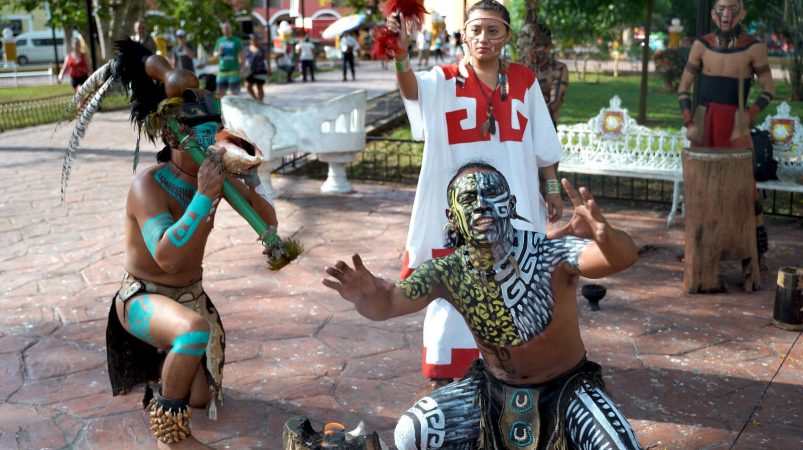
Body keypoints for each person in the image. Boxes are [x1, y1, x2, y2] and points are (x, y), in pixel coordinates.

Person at [322, 163, 642, 450]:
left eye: (491, 194)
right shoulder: (447, 271)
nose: (481, 204)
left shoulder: (549, 252)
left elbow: (620, 258)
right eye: (468, 198)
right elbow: (390, 303)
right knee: (413, 432)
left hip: (568, 388)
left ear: (511, 205)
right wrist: (365, 296)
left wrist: (608, 238)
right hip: (491, 391)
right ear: (453, 217)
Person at [62, 40, 279, 449]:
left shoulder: (215, 178)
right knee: (193, 332)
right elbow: (166, 257)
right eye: (201, 134)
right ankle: (171, 436)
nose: (211, 143)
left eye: (214, 133)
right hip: (142, 297)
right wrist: (204, 196)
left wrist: (251, 180)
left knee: (202, 397)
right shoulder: (148, 186)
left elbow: (269, 223)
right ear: (173, 136)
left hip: (190, 296)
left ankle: (167, 364)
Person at [386, 0, 564, 393]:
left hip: (512, 206)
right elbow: (412, 91)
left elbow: (543, 142)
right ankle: (445, 375)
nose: (484, 38)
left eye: (493, 30)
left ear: (507, 36)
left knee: (515, 285)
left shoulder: (523, 80)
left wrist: (551, 188)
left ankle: (513, 372)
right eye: (476, 30)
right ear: (464, 35)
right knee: (452, 287)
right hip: (461, 214)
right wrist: (401, 56)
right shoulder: (444, 79)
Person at [677, 0, 774, 268]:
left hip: (735, 125)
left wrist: (750, 112)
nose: (726, 15)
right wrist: (689, 122)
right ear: (713, 14)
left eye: (732, 9)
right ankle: (701, 248)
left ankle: (755, 253)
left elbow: (769, 89)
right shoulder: (701, 46)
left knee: (745, 188)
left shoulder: (753, 47)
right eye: (721, 9)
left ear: (742, 13)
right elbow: (683, 89)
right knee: (702, 187)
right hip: (704, 122)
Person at [517, 10, 569, 126]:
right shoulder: (517, 68)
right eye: (527, 47)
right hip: (518, 126)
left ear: (548, 47)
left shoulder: (558, 69)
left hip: (545, 126)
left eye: (537, 46)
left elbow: (555, 103)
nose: (531, 51)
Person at [214, 22, 244, 96]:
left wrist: (242, 68)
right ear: (222, 30)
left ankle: (236, 104)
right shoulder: (219, 41)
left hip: (234, 70)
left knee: (235, 93)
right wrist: (219, 53)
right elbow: (215, 55)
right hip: (222, 70)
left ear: (231, 29)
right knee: (218, 94)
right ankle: (219, 104)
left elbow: (242, 56)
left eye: (228, 28)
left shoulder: (237, 40)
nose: (226, 30)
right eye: (225, 29)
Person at [245, 34, 268, 102]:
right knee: (248, 86)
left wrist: (269, 68)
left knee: (259, 86)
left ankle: (261, 101)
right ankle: (255, 99)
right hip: (250, 70)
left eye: (256, 39)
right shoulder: (247, 49)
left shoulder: (262, 49)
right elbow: (243, 58)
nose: (254, 41)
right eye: (252, 39)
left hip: (260, 69)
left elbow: (267, 59)